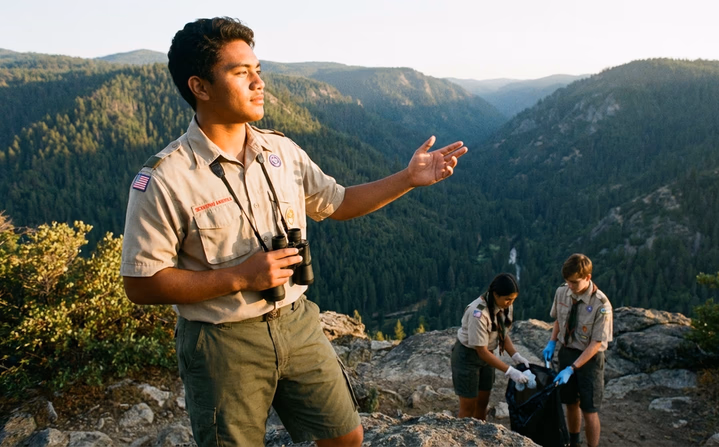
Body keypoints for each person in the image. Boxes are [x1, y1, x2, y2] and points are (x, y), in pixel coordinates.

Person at [120, 17, 468, 447]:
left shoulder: (280, 150)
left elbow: (338, 203)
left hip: (298, 323)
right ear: (201, 87)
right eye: (240, 73)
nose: (258, 83)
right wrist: (240, 277)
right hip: (222, 342)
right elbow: (140, 283)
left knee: (345, 437)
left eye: (258, 71)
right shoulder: (166, 177)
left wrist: (408, 178)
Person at [542, 254, 613, 447]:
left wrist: (571, 369)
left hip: (589, 359)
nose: (570, 286)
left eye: (574, 282)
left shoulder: (601, 304)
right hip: (567, 352)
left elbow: (596, 343)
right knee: (570, 403)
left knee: (589, 409)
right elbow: (559, 319)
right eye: (567, 281)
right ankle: (574, 442)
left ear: (588, 278)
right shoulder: (562, 292)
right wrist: (552, 342)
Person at [450, 273, 531, 420]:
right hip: (468, 357)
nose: (510, 303)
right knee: (468, 406)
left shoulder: (505, 306)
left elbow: (502, 332)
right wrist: (510, 371)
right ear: (495, 294)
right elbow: (481, 351)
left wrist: (515, 355)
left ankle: (479, 435)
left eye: (513, 299)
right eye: (507, 299)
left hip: (487, 356)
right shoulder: (478, 314)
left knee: (483, 402)